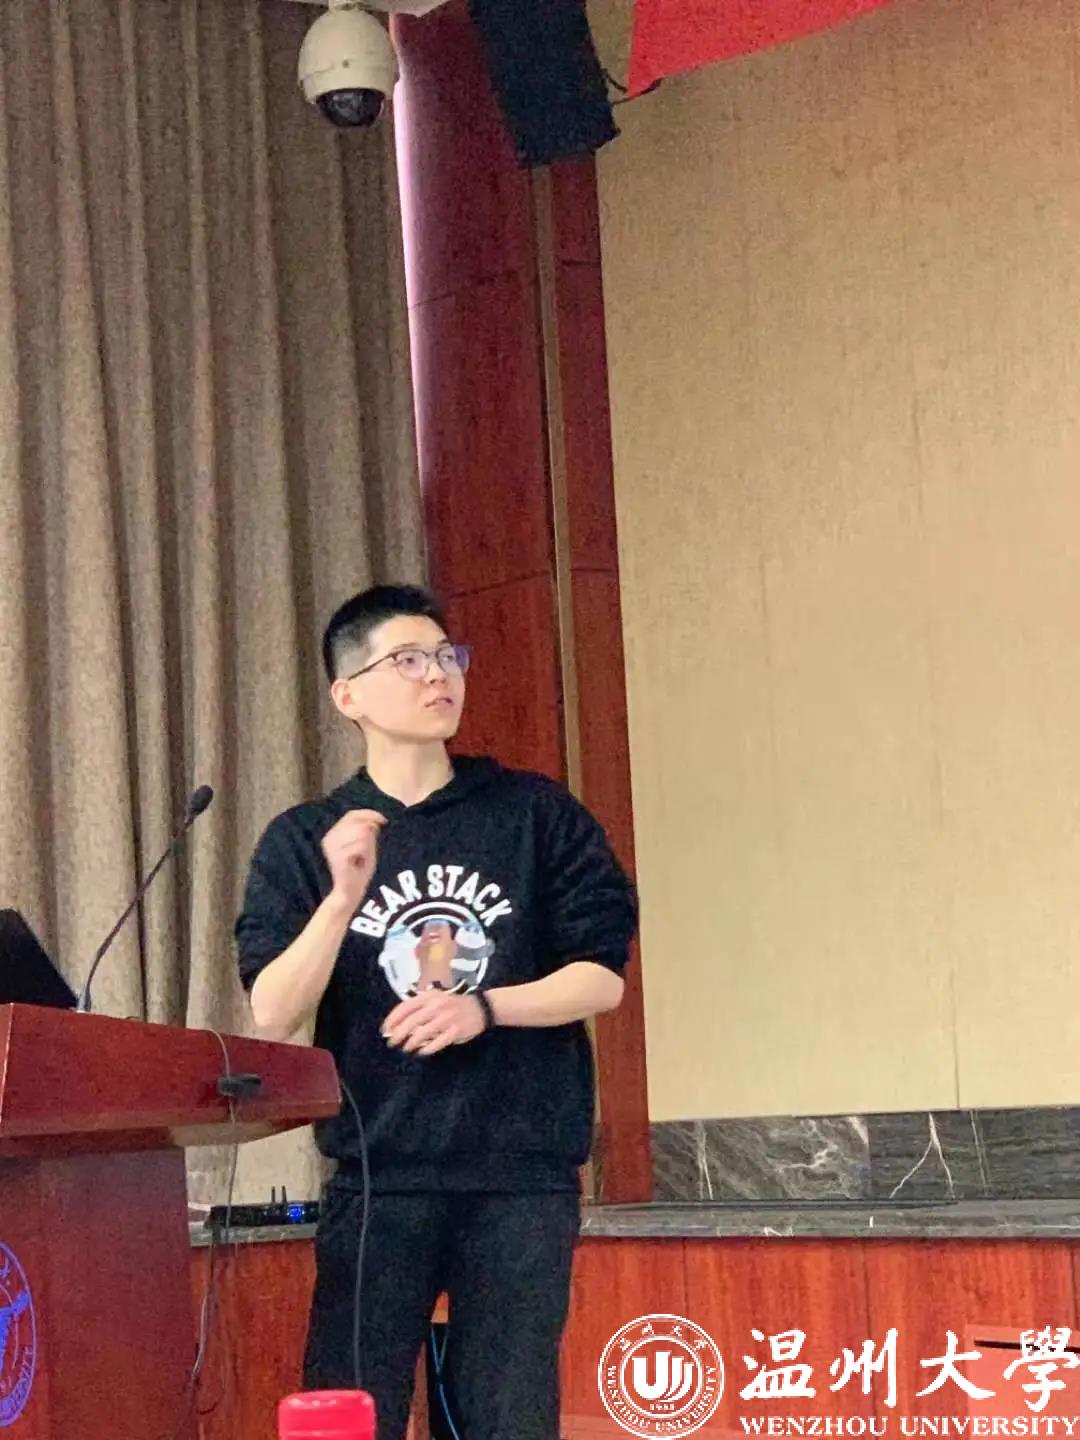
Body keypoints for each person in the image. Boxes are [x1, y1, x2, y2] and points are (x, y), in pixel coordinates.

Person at [235, 583, 637, 1440]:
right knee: (353, 1414)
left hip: (518, 1175)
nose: (438, 676)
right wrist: (341, 899)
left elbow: (601, 978)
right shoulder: (306, 838)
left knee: (509, 1417)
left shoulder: (535, 814)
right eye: (408, 660)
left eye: (447, 657)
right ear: (348, 695)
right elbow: (272, 1011)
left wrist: (482, 1007)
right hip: (379, 1174)